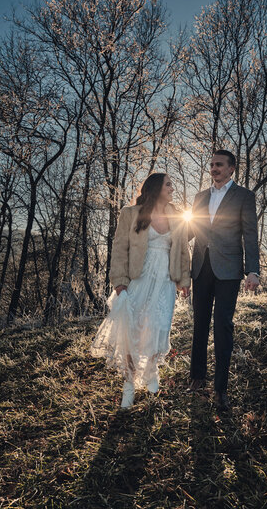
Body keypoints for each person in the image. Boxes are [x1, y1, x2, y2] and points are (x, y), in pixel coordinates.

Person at [90, 173, 191, 408]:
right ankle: (129, 382)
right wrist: (119, 281)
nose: (172, 189)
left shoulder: (177, 215)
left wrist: (184, 280)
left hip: (165, 281)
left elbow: (183, 251)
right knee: (132, 330)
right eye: (169, 185)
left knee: (159, 326)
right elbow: (119, 249)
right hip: (139, 278)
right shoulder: (131, 214)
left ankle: (151, 372)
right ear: (156, 188)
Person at [188, 150, 260, 410]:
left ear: (232, 168)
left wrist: (253, 270)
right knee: (199, 324)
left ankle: (221, 389)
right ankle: (197, 377)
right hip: (201, 268)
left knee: (223, 327)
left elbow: (250, 235)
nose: (214, 169)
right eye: (211, 165)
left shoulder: (244, 196)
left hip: (229, 270)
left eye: (219, 165)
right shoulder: (200, 197)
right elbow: (188, 230)